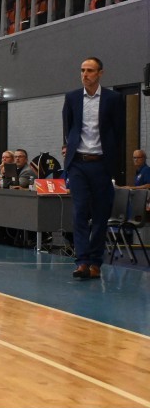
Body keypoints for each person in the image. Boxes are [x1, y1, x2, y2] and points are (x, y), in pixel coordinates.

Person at [62, 57, 124, 280]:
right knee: (79, 211)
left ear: (100, 73)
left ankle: (95, 262)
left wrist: (115, 164)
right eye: (82, 70)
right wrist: (68, 147)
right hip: (78, 163)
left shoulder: (113, 99)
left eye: (90, 70)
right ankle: (82, 262)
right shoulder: (72, 97)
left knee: (100, 214)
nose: (85, 74)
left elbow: (119, 132)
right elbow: (68, 127)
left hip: (101, 163)